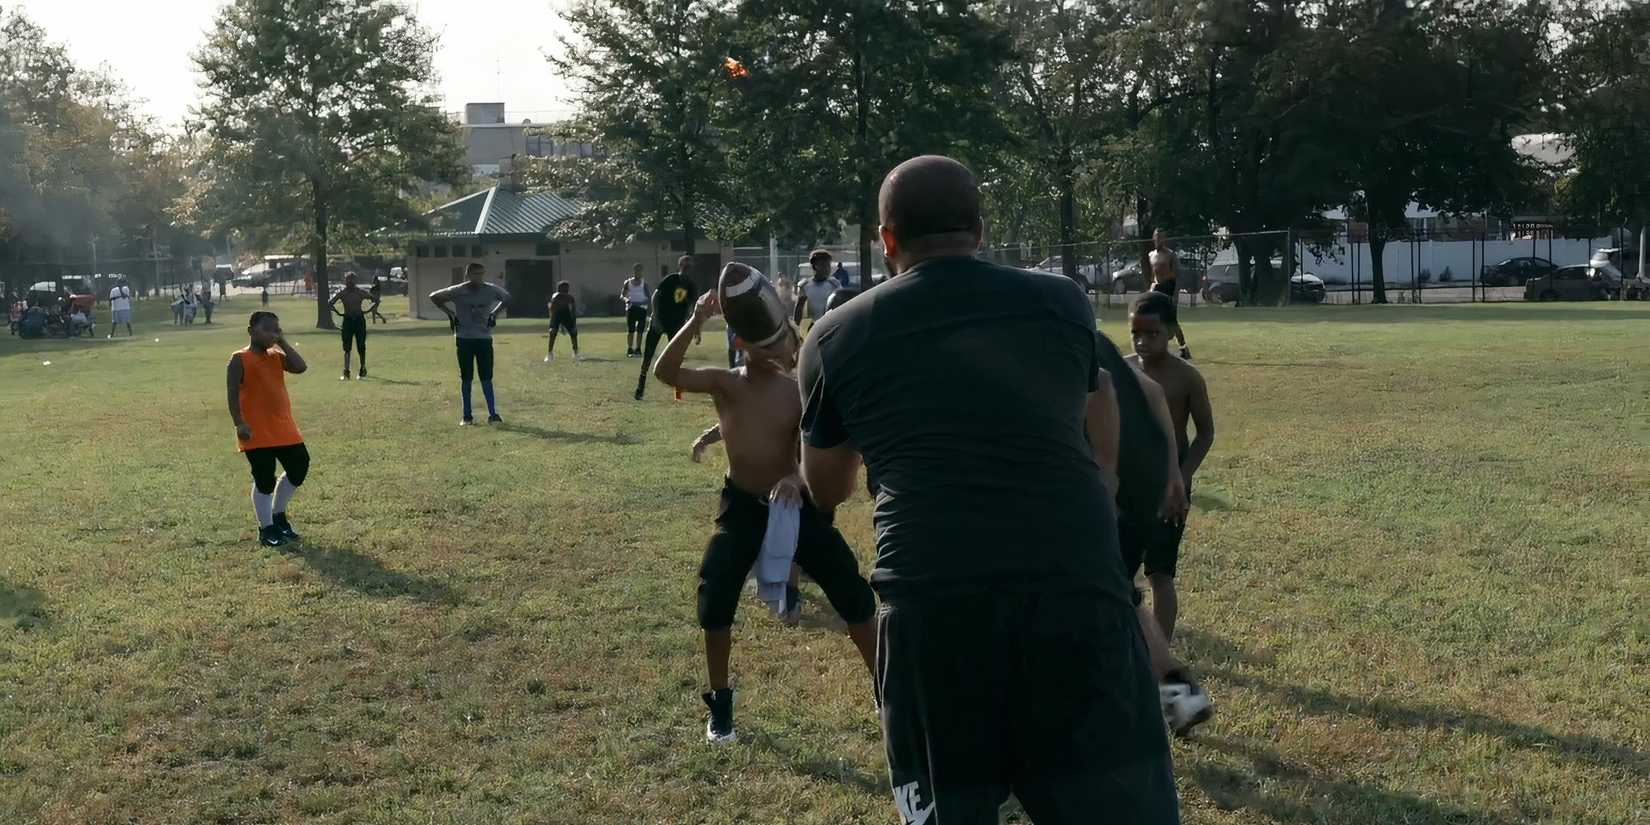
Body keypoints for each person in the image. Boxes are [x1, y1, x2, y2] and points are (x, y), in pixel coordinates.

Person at [798, 155, 1179, 823]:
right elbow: (1100, 400)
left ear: (886, 238)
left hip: (933, 608)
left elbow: (824, 486)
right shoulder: (1061, 301)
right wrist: (1104, 476)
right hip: (1077, 593)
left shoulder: (833, 336)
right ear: (979, 227)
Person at [654, 266, 876, 745]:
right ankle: (721, 703)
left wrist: (797, 480)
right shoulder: (726, 383)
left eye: (771, 342)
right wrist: (695, 322)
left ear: (786, 345)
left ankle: (887, 691)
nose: (758, 348)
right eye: (750, 341)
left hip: (798, 506)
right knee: (714, 596)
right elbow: (665, 372)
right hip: (743, 508)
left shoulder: (798, 389)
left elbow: (817, 447)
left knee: (852, 594)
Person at [1123, 292, 1215, 643]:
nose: (1143, 342)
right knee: (1120, 571)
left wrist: (1182, 479)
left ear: (1173, 331)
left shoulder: (1187, 377)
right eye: (1136, 334)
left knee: (1159, 572)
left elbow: (1205, 433)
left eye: (1152, 334)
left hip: (1170, 484)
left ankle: (1160, 652)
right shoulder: (1123, 369)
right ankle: (1126, 642)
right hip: (1129, 481)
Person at [226, 311, 310, 548]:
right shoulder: (239, 358)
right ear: (251, 331)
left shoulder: (276, 356)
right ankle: (267, 529)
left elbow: (301, 367)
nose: (272, 333)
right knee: (264, 479)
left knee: (299, 465)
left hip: (283, 427)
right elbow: (232, 394)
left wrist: (282, 342)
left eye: (276, 329)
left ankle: (278, 514)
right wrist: (239, 423)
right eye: (267, 329)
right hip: (255, 430)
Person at [430, 262, 510, 425]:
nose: (479, 277)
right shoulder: (458, 290)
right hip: (464, 338)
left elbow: (507, 298)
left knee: (486, 377)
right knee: (466, 378)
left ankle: (493, 414)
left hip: (484, 339)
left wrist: (494, 314)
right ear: (468, 275)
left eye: (481, 274)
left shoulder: (491, 289)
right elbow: (434, 296)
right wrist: (450, 313)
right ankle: (467, 416)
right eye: (475, 274)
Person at [633, 256, 699, 401]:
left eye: (689, 267)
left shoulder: (691, 285)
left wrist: (695, 328)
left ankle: (678, 393)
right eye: (685, 266)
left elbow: (694, 308)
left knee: (676, 359)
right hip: (660, 321)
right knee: (648, 356)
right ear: (680, 266)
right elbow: (656, 296)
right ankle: (640, 388)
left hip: (675, 325)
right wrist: (655, 317)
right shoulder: (671, 279)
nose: (687, 269)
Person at [1147, 229, 1191, 359]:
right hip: (1156, 289)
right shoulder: (1150, 255)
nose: (1159, 239)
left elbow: (1176, 275)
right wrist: (1151, 289)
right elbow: (1152, 275)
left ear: (1165, 239)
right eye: (1157, 237)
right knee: (1153, 318)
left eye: (1161, 237)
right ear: (1153, 238)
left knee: (1171, 321)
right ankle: (1157, 347)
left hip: (1168, 289)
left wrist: (1174, 294)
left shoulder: (1170, 255)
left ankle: (1183, 348)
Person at [327, 272, 373, 380]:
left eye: (352, 280)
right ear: (345, 281)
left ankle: (362, 368)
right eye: (348, 280)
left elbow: (375, 300)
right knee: (347, 347)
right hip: (348, 321)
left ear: (355, 281)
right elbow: (330, 303)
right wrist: (339, 313)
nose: (350, 282)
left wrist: (368, 310)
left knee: (361, 346)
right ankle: (346, 371)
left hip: (359, 321)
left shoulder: (360, 292)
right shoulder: (342, 293)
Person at [792, 249, 840, 329]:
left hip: (831, 327)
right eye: (824, 265)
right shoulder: (805, 286)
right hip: (812, 328)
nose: (828, 269)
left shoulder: (835, 285)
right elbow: (798, 313)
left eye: (829, 265)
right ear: (815, 266)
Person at [545, 280, 580, 362]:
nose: (567, 289)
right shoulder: (556, 296)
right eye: (565, 288)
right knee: (552, 332)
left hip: (566, 315)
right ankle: (550, 354)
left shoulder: (570, 297)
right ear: (559, 288)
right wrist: (554, 322)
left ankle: (576, 353)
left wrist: (573, 324)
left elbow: (573, 311)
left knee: (573, 332)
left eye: (567, 288)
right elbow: (551, 309)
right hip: (556, 315)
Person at [621, 264, 650, 357]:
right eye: (636, 270)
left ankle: (638, 349)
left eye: (640, 271)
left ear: (642, 272)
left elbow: (648, 297)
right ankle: (630, 349)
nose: (638, 272)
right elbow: (622, 295)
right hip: (631, 308)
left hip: (642, 308)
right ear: (634, 271)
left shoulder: (644, 283)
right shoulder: (628, 282)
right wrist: (626, 300)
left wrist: (645, 301)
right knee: (631, 330)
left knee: (640, 330)